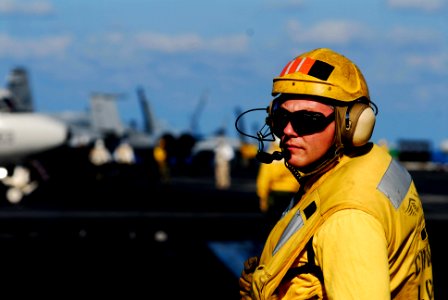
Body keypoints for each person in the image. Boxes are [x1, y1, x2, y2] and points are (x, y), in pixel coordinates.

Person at [237, 48, 433, 299]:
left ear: (352, 126)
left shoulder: (348, 220)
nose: (287, 130)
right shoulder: (372, 165)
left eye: (308, 120)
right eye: (280, 116)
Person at [256, 138, 300, 227]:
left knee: (274, 224)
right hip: (293, 193)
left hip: (275, 194)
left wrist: (262, 197)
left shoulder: (271, 156)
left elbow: (264, 178)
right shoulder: (293, 154)